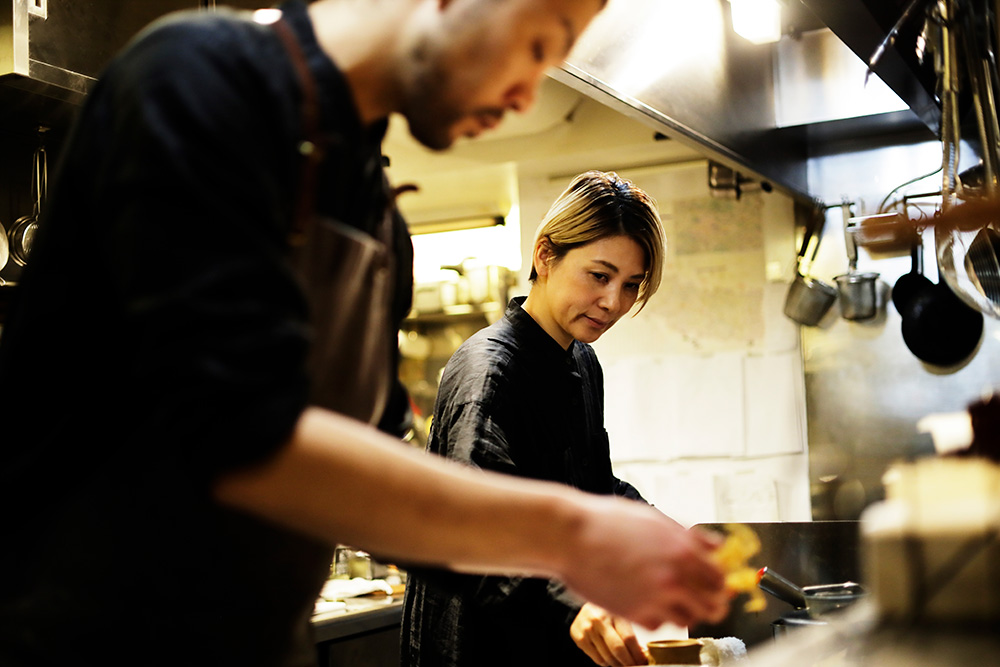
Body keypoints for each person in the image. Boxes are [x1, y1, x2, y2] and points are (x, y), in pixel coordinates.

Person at [0, 1, 728, 666]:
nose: (525, 96)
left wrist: (617, 552)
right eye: (537, 45)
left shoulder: (378, 221)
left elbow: (382, 469)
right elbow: (237, 435)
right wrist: (575, 534)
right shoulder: (199, 79)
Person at [402, 171, 717, 667]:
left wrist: (675, 539)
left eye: (630, 285)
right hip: (485, 649)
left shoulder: (579, 360)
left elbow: (593, 487)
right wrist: (571, 603)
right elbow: (472, 524)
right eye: (599, 275)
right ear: (545, 255)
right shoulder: (490, 370)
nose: (613, 302)